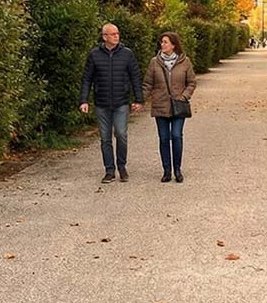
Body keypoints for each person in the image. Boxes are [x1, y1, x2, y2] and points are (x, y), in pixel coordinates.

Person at [79, 23, 144, 183]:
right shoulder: (94, 55)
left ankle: (121, 166)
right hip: (102, 103)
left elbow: (135, 77)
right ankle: (109, 170)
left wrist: (139, 99)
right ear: (104, 37)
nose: (116, 36)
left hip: (121, 102)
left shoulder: (127, 54)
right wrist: (83, 100)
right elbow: (87, 78)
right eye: (112, 34)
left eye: (117, 33)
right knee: (105, 138)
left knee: (121, 134)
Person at [141, 32, 197, 183]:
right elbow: (147, 84)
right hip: (160, 105)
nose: (162, 45)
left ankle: (177, 169)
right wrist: (140, 100)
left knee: (176, 136)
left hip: (178, 106)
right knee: (164, 138)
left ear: (173, 45)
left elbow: (191, 82)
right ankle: (166, 170)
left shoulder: (185, 62)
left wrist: (184, 96)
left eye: (165, 42)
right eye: (161, 42)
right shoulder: (154, 62)